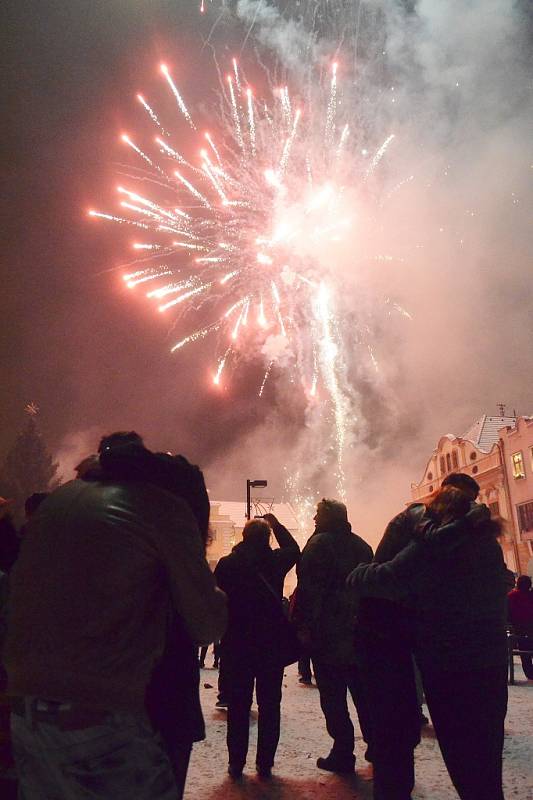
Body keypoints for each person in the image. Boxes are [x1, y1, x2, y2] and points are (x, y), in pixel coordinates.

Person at [3, 432, 227, 800]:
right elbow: (206, 623)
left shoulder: (61, 501)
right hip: (99, 712)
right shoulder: (163, 508)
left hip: (27, 708)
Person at [348, 485, 509, 800]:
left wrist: (359, 572)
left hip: (448, 667)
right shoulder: (487, 544)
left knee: (466, 762)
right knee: (485, 766)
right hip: (490, 664)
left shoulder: (436, 547)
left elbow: (386, 580)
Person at [214, 514, 300, 780]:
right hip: (270, 644)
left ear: (243, 537)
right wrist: (276, 523)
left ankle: (236, 762)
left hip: (237, 643)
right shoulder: (274, 562)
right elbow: (295, 549)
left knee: (238, 705)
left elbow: (216, 601)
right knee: (270, 705)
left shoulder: (227, 565)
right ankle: (265, 762)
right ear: (267, 538)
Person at [294, 498, 373, 773]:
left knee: (333, 697)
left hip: (327, 634)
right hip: (360, 633)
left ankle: (343, 751)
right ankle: (375, 746)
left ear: (327, 517)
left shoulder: (318, 545)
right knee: (364, 694)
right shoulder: (362, 545)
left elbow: (309, 590)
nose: (314, 519)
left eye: (317, 514)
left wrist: (304, 626)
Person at [507, 575, 533, 679]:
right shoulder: (531, 595)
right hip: (530, 628)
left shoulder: (511, 596)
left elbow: (508, 614)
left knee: (524, 649)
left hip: (518, 629)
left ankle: (530, 674)